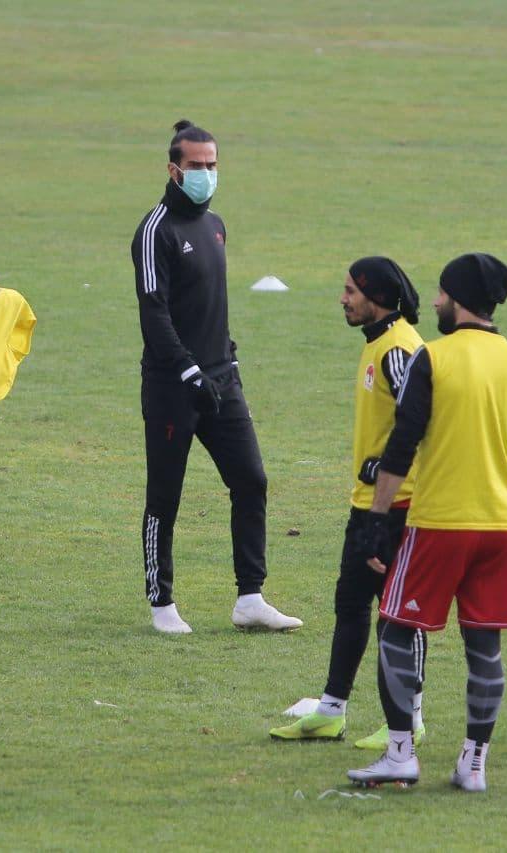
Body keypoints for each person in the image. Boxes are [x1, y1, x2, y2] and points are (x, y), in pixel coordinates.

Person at [347, 253, 507, 791]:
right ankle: (473, 764)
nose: (434, 301)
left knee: (395, 629)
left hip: (438, 524)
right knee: (485, 646)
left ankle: (400, 754)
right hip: (499, 530)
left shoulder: (432, 358)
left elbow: (402, 446)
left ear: (457, 300)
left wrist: (376, 519)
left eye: (440, 293)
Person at [131, 119, 300, 634]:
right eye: (196, 165)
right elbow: (154, 312)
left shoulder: (216, 225)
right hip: (172, 387)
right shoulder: (155, 231)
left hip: (222, 379)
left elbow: (210, 305)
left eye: (212, 164)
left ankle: (250, 598)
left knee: (251, 480)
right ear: (173, 170)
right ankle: (161, 603)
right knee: (165, 497)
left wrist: (228, 362)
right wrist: (187, 370)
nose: (206, 173)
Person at [270, 257, 428, 748]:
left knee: (399, 615)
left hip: (400, 507)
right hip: (369, 505)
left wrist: (384, 468)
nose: (342, 299)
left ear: (375, 296)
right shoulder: (378, 342)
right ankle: (331, 711)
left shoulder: (399, 349)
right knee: (351, 603)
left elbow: (422, 419)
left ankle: (410, 719)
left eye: (350, 291)